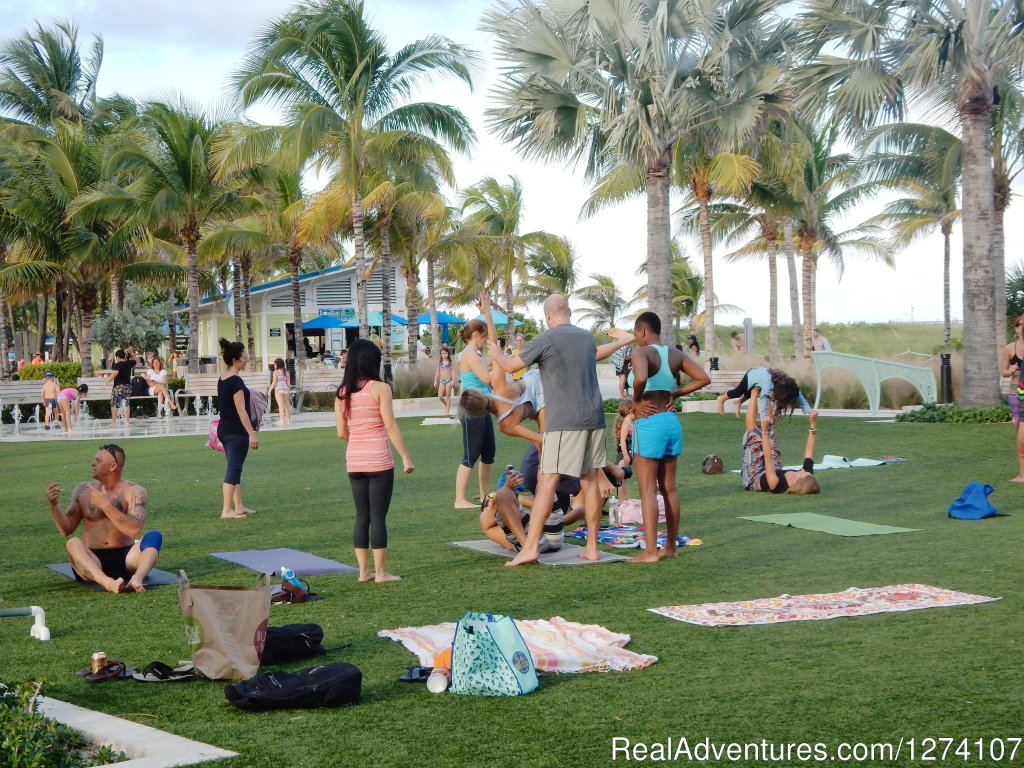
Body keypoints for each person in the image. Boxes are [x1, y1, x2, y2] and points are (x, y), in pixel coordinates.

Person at [488, 292, 633, 565]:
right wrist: (621, 342)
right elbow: (596, 354)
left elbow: (511, 366)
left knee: (547, 481)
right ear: (569, 312)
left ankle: (530, 548)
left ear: (548, 316)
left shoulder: (547, 337)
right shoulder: (586, 337)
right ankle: (591, 547)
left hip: (563, 421)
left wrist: (496, 354)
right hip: (594, 418)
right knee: (589, 479)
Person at [627, 311, 711, 562]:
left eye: (635, 334)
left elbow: (640, 377)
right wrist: (677, 393)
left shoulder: (640, 352)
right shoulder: (674, 354)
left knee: (647, 490)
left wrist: (635, 401)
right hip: (670, 422)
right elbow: (704, 378)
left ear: (641, 331)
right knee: (669, 488)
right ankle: (670, 547)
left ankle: (651, 551)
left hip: (649, 421)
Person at [335, 339, 415, 583]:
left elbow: (341, 432)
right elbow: (390, 426)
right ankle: (380, 573)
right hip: (379, 459)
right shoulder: (380, 388)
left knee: (362, 517)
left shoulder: (342, 393)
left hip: (355, 460)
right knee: (378, 517)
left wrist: (359, 442)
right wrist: (405, 456)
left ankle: (363, 572)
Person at [45, 443, 163, 593]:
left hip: (126, 559)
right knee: (73, 543)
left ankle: (137, 578)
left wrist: (105, 505)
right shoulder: (83, 490)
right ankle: (107, 583)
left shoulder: (134, 491)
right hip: (92, 559)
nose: (92, 463)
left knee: (154, 536)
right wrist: (54, 506)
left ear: (113, 466)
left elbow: (134, 529)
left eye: (98, 460)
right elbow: (66, 529)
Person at [740, 390, 821, 494]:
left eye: (804, 474)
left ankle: (754, 392)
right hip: (775, 468)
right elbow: (809, 451)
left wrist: (764, 431)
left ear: (800, 481)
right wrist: (813, 423)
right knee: (770, 425)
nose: (805, 471)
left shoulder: (776, 483)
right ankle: (766, 391)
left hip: (755, 475)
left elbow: (767, 457)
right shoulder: (806, 474)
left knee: (755, 435)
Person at [454, 319, 496, 508]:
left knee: (488, 453)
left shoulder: (475, 354)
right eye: (484, 336)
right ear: (476, 335)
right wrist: (499, 367)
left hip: (482, 407)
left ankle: (484, 495)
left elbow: (493, 350)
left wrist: (488, 314)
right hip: (472, 408)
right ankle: (459, 499)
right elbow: (487, 378)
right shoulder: (469, 355)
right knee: (471, 454)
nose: (485, 340)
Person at [217, 338, 259, 519]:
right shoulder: (236, 381)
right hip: (236, 430)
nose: (247, 359)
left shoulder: (223, 378)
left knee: (235, 468)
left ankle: (238, 505)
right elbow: (241, 410)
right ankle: (227, 509)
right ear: (235, 359)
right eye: (244, 356)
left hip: (224, 428)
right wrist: (251, 433)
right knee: (233, 468)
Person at [479, 469, 563, 555]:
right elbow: (486, 515)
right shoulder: (492, 527)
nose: (493, 496)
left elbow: (538, 503)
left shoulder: (513, 512)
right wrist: (507, 489)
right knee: (503, 494)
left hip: (552, 536)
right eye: (489, 496)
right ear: (485, 508)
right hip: (539, 543)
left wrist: (514, 496)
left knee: (544, 479)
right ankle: (528, 550)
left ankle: (528, 549)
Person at [715, 366, 812, 421]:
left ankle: (738, 402)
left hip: (760, 375)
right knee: (738, 392)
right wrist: (764, 417)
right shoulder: (768, 384)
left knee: (752, 391)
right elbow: (764, 399)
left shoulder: (789, 384)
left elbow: (797, 393)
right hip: (752, 374)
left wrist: (808, 410)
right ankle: (721, 399)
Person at [1001, 314, 1024, 481]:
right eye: (1021, 324)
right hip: (1015, 392)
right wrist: (1009, 371)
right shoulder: (1009, 349)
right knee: (1019, 432)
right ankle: (1022, 473)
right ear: (1016, 328)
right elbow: (1003, 371)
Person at [107, 347, 138, 428]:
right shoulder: (128, 363)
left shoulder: (117, 365)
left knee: (114, 404)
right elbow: (137, 360)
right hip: (127, 387)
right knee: (126, 403)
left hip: (118, 387)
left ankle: (114, 422)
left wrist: (106, 382)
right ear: (124, 356)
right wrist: (132, 353)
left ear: (117, 357)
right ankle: (127, 421)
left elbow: (115, 373)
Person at [268, 357, 292, 426]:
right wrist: (288, 391)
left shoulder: (276, 372)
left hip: (279, 390)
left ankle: (282, 420)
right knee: (287, 405)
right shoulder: (287, 372)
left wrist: (270, 390)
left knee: (281, 405)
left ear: (278, 364)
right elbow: (289, 383)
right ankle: (289, 420)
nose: (274, 366)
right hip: (286, 390)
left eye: (275, 364)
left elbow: (274, 382)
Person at [434, 346, 456, 418]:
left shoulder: (450, 362)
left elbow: (453, 372)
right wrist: (435, 381)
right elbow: (437, 372)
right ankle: (447, 405)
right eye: (442, 353)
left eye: (445, 353)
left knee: (447, 396)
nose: (444, 355)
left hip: (448, 381)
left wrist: (453, 380)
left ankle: (447, 411)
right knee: (440, 396)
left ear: (448, 354)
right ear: (440, 354)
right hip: (442, 381)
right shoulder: (440, 362)